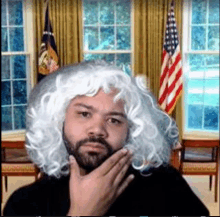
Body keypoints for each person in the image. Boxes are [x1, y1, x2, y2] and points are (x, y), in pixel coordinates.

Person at [3, 61, 209, 216]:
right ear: (59, 121)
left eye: (114, 120)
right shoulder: (25, 203)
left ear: (132, 130)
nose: (97, 129)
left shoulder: (168, 185)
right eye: (84, 114)